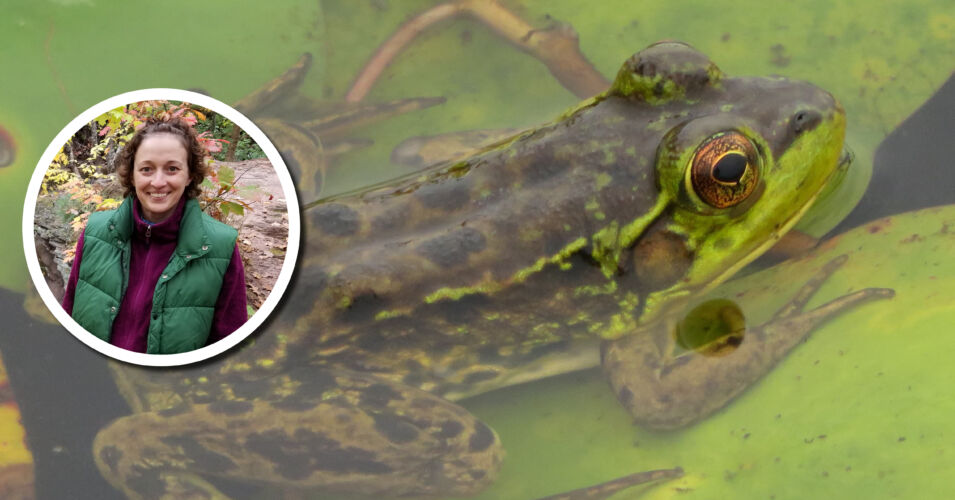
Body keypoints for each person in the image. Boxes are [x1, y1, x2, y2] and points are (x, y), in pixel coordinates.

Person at [61, 118, 247, 354]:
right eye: (146, 169)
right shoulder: (95, 233)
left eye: (172, 168)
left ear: (189, 175)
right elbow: (68, 319)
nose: (158, 182)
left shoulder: (220, 247)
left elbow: (229, 350)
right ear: (132, 175)